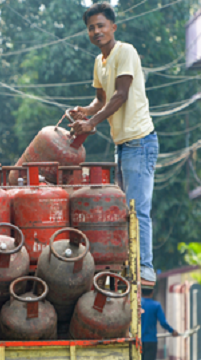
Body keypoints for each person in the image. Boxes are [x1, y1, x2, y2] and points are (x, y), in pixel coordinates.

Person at [69, 3, 158, 286]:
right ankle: (129, 264)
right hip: (123, 145)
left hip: (140, 141)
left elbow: (120, 94)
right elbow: (101, 99)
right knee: (123, 212)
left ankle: (145, 268)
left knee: (137, 208)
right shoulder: (100, 61)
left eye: (101, 25)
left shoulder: (125, 52)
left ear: (113, 27)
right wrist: (85, 111)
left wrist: (92, 123)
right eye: (91, 28)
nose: (96, 31)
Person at [141, 288, 178, 360]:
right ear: (152, 292)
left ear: (141, 292)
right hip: (151, 342)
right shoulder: (156, 305)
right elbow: (163, 322)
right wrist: (172, 331)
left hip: (137, 342)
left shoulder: (137, 304)